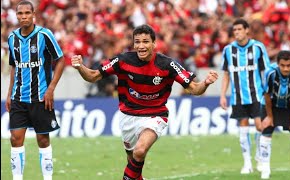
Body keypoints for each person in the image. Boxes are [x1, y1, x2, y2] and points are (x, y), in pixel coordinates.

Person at [71, 24, 219, 180]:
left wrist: (206, 83)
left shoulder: (167, 64)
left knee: (140, 151)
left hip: (155, 115)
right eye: (137, 42)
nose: (141, 46)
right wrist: (80, 67)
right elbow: (93, 76)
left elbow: (195, 89)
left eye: (145, 42)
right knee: (133, 161)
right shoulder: (122, 60)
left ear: (153, 44)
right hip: (127, 116)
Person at [5, 1, 65, 180]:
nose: (23, 16)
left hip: (41, 96)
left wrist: (51, 88)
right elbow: (14, 66)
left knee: (43, 140)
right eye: (20, 13)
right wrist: (9, 94)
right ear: (16, 16)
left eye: (27, 13)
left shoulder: (44, 35)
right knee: (15, 138)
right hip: (18, 97)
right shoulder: (12, 38)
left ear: (33, 14)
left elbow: (60, 60)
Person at [220, 18, 270, 174]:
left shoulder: (258, 47)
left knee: (260, 126)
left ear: (247, 30)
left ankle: (260, 157)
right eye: (234, 30)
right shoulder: (228, 50)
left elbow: (266, 71)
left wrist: (269, 93)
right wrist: (222, 95)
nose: (237, 33)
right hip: (238, 96)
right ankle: (247, 163)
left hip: (257, 94)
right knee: (243, 128)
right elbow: (227, 74)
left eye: (240, 29)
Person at [259, 50, 290, 179]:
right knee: (266, 132)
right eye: (282, 65)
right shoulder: (270, 72)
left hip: (288, 104)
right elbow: (266, 94)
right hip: (270, 104)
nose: (286, 69)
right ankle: (265, 171)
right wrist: (269, 117)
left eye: (289, 66)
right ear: (277, 64)